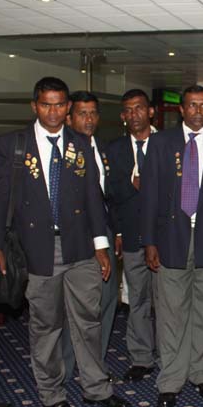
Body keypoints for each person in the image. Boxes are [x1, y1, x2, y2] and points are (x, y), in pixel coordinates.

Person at [0, 77, 128, 407]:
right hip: (38, 248)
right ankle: (52, 394)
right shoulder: (12, 145)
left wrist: (101, 245)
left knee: (88, 322)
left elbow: (93, 196)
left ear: (68, 108)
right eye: (46, 104)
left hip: (81, 247)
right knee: (46, 326)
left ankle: (96, 389)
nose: (53, 111)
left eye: (59, 104)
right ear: (35, 106)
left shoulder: (80, 143)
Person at [141, 85, 203, 407]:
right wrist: (149, 241)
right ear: (181, 109)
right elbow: (149, 194)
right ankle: (171, 380)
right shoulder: (161, 142)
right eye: (192, 105)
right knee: (171, 313)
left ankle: (202, 374)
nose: (198, 111)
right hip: (170, 237)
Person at [62, 91, 119, 380]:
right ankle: (66, 366)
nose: (89, 119)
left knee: (107, 299)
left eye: (93, 113)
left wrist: (115, 232)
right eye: (82, 113)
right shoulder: (61, 152)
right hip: (72, 235)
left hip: (103, 233)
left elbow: (111, 196)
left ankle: (96, 364)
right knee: (73, 307)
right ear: (69, 117)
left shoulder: (103, 149)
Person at [106, 89, 157, 383]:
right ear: (123, 116)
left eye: (139, 108)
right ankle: (141, 357)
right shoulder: (114, 149)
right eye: (128, 110)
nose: (134, 114)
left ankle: (172, 355)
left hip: (165, 238)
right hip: (132, 234)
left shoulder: (168, 143)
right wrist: (118, 231)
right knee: (137, 299)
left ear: (150, 111)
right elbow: (110, 194)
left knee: (170, 303)